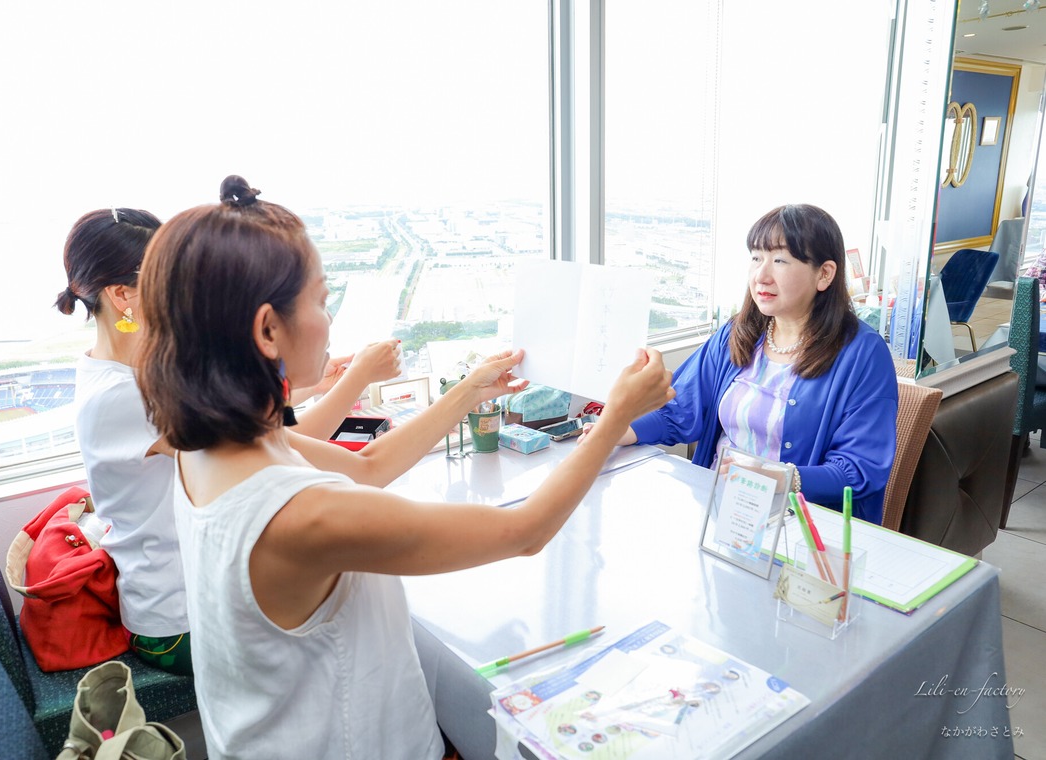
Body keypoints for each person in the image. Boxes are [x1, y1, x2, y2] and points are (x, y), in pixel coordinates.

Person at [133, 175, 674, 759]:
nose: (329, 318)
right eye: (320, 299)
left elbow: (365, 468)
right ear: (268, 329)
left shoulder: (206, 446)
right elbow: (524, 531)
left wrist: (468, 390)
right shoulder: (300, 515)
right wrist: (616, 414)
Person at [55, 207, 401, 676]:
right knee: (351, 622)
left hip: (184, 590)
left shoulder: (116, 371)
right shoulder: (127, 396)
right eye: (166, 277)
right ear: (122, 296)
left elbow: (235, 417)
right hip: (175, 623)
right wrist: (356, 379)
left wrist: (312, 385)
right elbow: (284, 444)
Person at [592, 204, 897, 523]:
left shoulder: (863, 354)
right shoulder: (736, 334)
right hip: (719, 514)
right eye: (756, 258)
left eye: (779, 260)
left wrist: (781, 477)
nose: (761, 275)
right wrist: (619, 430)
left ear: (824, 274)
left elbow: (861, 468)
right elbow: (680, 409)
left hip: (801, 531)